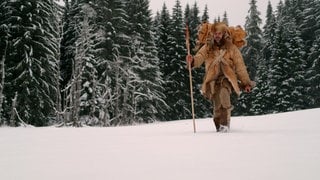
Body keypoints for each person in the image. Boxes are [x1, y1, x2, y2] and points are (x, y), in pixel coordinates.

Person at [186, 22, 254, 132]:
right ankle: (219, 126)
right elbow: (200, 57)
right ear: (212, 34)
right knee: (217, 104)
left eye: (219, 33)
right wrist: (192, 61)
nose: (217, 36)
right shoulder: (208, 47)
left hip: (227, 78)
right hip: (212, 80)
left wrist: (246, 83)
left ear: (223, 34)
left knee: (224, 96)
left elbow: (240, 66)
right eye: (215, 33)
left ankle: (225, 125)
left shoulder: (231, 48)